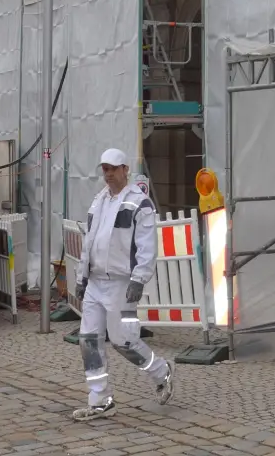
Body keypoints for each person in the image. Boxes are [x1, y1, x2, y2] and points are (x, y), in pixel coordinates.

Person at [69, 148, 173, 421]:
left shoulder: (140, 204)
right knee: (89, 341)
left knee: (124, 341)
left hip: (121, 285)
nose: (109, 173)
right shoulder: (99, 201)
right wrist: (81, 278)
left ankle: (161, 372)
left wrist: (139, 279)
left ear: (126, 169)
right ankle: (100, 399)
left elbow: (147, 246)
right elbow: (89, 243)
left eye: (113, 168)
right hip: (95, 283)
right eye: (105, 168)